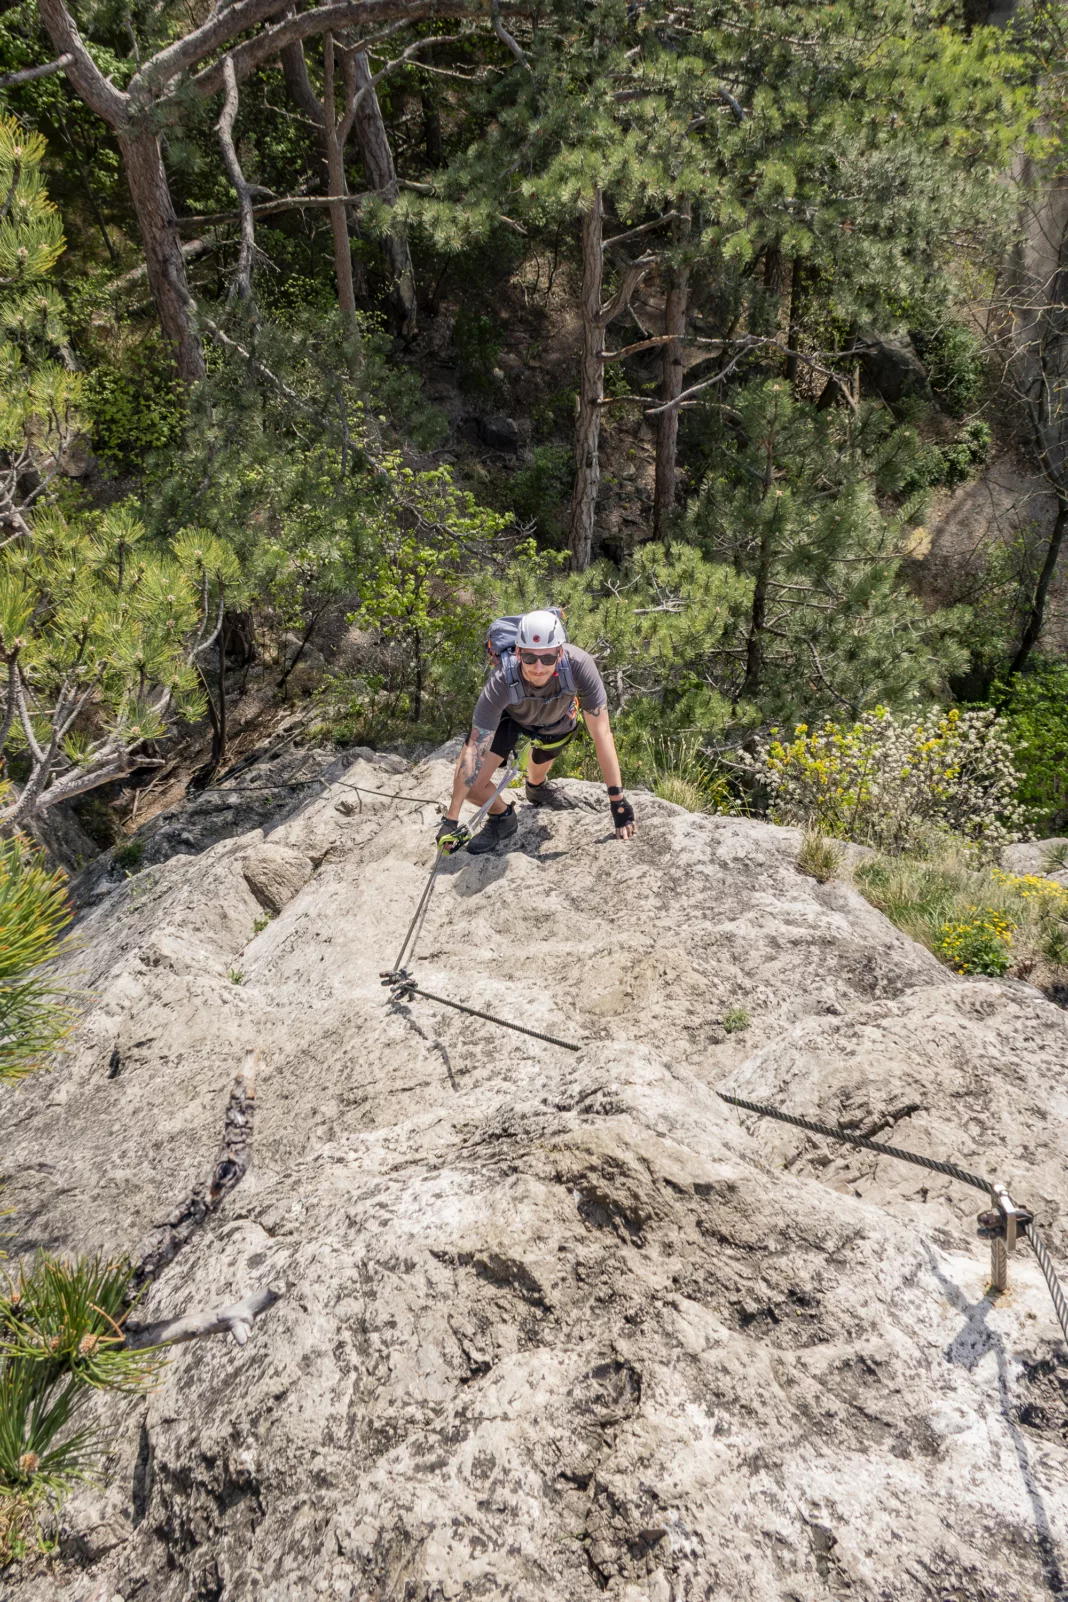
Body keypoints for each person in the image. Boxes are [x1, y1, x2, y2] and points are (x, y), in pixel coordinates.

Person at [437, 609, 636, 855]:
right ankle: (502, 817)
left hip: (556, 720)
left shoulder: (579, 666)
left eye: (548, 658)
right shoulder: (501, 680)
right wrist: (451, 818)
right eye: (530, 658)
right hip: (511, 719)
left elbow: (602, 734)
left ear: (560, 653)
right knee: (474, 786)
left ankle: (536, 786)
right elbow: (474, 749)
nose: (538, 668)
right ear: (518, 652)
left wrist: (617, 801)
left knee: (539, 766)